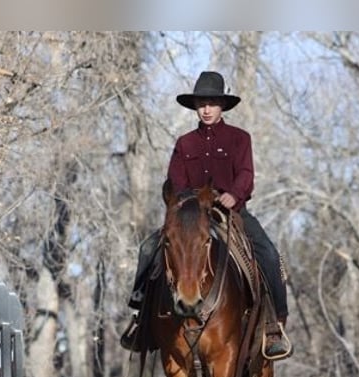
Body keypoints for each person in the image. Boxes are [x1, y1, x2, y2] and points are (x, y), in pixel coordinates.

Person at [121, 71, 293, 360]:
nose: (206, 109)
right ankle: (141, 318)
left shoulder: (240, 139)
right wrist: (188, 201)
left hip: (231, 212)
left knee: (270, 255)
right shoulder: (184, 143)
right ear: (195, 107)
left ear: (222, 106)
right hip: (190, 215)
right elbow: (175, 181)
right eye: (202, 104)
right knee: (149, 248)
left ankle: (274, 326)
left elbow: (247, 175)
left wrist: (233, 195)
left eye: (212, 103)